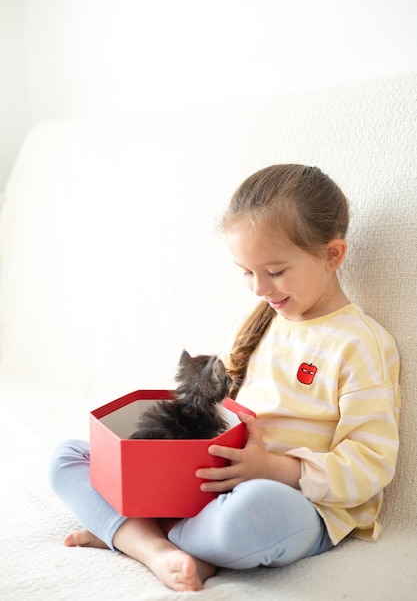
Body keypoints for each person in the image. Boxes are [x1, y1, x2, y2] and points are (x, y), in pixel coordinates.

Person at [49, 164, 400, 592]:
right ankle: (161, 547)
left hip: (303, 504)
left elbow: (372, 464)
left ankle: (133, 534)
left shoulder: (359, 343)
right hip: (218, 483)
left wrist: (275, 470)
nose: (258, 289)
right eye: (247, 272)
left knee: (255, 510)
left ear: (332, 255)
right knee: (70, 457)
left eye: (274, 271)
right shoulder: (267, 321)